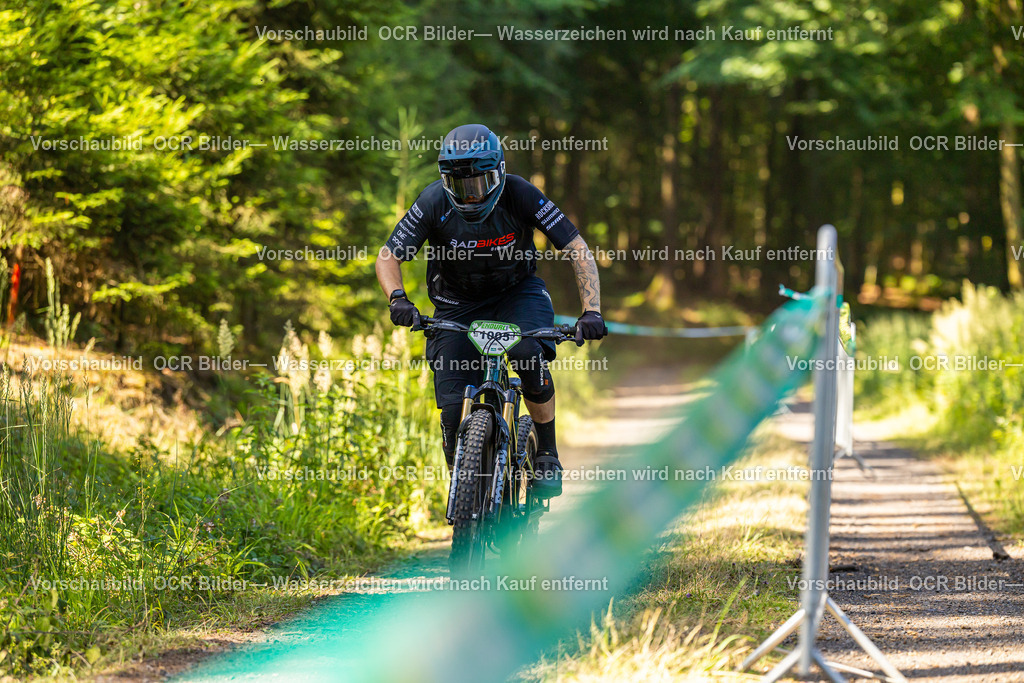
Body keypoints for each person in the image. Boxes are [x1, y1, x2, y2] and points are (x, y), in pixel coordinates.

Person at [375, 123, 607, 497]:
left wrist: (591, 310)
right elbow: (388, 257)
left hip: (517, 294)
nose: (469, 196)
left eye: (479, 185)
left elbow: (576, 248)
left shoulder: (521, 194)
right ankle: (469, 491)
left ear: (498, 173)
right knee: (452, 410)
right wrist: (398, 298)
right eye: (459, 186)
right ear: (445, 181)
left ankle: (546, 450)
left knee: (527, 354)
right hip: (455, 306)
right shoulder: (433, 201)